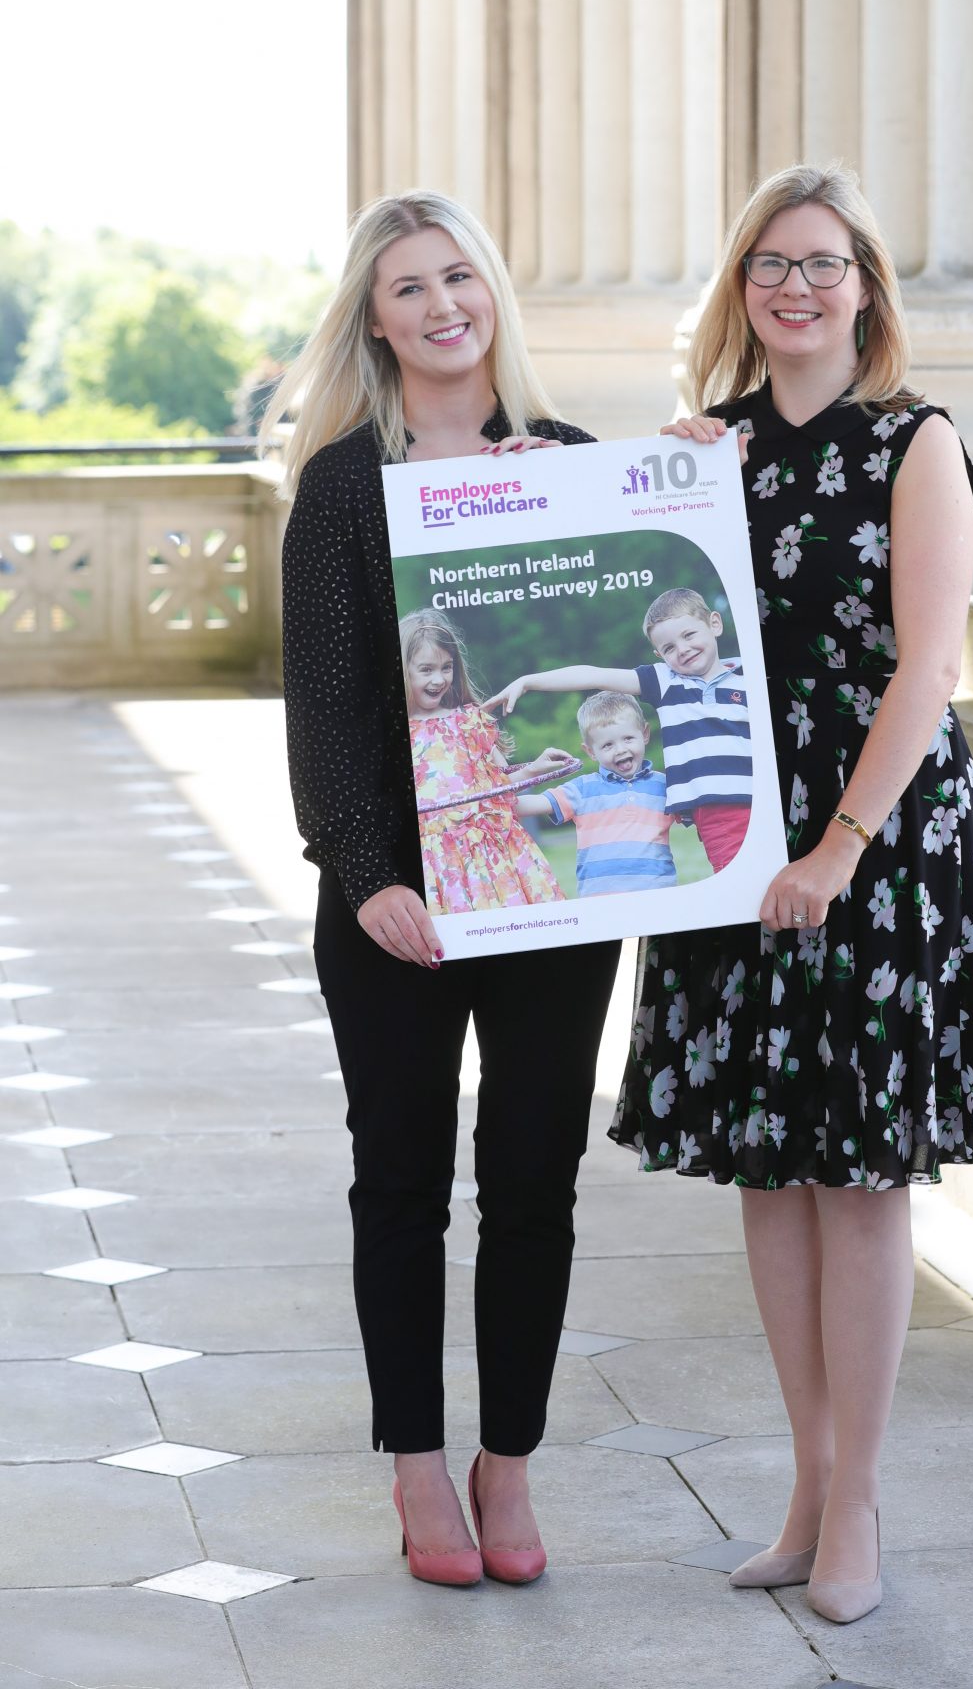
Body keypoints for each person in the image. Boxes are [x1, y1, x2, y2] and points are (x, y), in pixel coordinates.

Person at [608, 162, 973, 1625]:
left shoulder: (917, 442)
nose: (795, 286)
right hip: (732, 845)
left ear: (865, 290)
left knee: (856, 1183)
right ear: (740, 288)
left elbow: (927, 671)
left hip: (877, 846)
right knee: (770, 1177)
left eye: (823, 264)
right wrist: (654, 505)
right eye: (769, 263)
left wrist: (838, 849)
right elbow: (658, 651)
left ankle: (860, 1502)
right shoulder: (702, 451)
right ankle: (803, 1477)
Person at [262, 191, 621, 1588]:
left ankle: (508, 1466)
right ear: (375, 320)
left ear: (493, 295)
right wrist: (367, 879)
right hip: (394, 910)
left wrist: (691, 474)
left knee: (535, 1179)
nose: (439, 306)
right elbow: (330, 713)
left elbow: (642, 668)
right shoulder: (347, 487)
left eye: (457, 276)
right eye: (407, 287)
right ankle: (418, 1467)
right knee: (401, 1187)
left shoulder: (573, 469)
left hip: (548, 900)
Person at [488, 585, 753, 871]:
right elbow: (593, 675)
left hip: (762, 795)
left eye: (689, 635)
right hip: (718, 813)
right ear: (658, 654)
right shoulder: (666, 681)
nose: (683, 650)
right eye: (669, 648)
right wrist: (528, 681)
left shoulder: (749, 676)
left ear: (714, 623)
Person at [400, 609, 568, 914]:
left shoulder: (469, 722)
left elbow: (496, 791)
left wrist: (532, 770)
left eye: (446, 667)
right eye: (426, 669)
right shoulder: (393, 735)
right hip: (435, 865)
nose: (439, 679)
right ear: (402, 668)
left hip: (492, 855)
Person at [517, 692, 677, 896]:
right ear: (591, 751)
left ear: (645, 734)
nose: (620, 749)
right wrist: (487, 798)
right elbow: (530, 804)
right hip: (599, 901)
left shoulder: (666, 785)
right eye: (607, 745)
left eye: (628, 738)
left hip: (658, 896)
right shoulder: (583, 789)